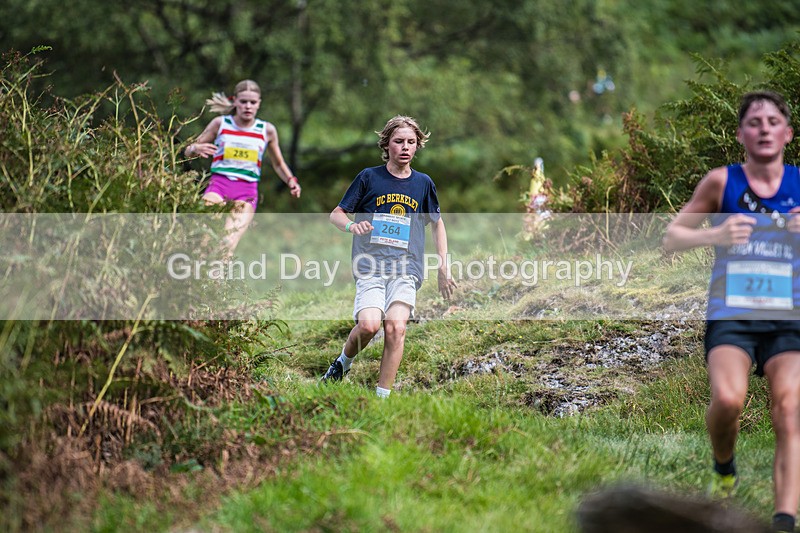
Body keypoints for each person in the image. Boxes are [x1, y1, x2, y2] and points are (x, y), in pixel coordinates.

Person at [664, 90, 800, 533]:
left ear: (787, 133)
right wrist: (716, 236)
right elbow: (672, 237)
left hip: (788, 316)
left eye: (772, 121)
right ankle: (724, 468)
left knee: (789, 409)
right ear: (741, 134)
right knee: (727, 400)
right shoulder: (722, 182)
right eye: (754, 122)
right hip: (732, 312)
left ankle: (783, 519)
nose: (764, 129)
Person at [320, 115, 457, 398]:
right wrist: (352, 225)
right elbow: (336, 214)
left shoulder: (423, 183)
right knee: (369, 325)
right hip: (370, 264)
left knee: (396, 328)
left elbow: (437, 223)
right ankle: (341, 365)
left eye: (411, 142)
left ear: (418, 146)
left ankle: (382, 399)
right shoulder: (369, 177)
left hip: (407, 267)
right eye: (399, 141)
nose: (405, 147)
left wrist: (444, 265)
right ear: (387, 144)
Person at [184, 79, 301, 254]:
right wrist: (194, 148)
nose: (248, 106)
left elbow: (278, 163)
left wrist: (291, 180)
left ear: (259, 104)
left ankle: (218, 280)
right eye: (243, 101)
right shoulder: (220, 123)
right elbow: (187, 151)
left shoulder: (266, 130)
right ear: (235, 101)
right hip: (217, 187)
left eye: (252, 102)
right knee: (203, 237)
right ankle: (193, 277)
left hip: (246, 193)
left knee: (226, 244)